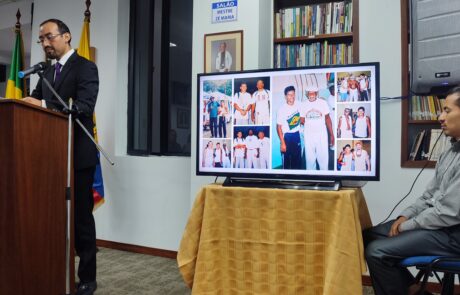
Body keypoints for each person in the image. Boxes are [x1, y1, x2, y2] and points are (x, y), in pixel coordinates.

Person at [22, 19, 99, 295]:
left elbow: (83, 106)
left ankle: (88, 279)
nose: (44, 43)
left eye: (48, 37)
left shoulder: (86, 67)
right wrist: (29, 103)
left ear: (66, 36)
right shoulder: (45, 73)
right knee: (51, 219)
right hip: (49, 157)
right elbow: (32, 105)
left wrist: (42, 103)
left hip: (77, 156)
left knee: (80, 220)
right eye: (40, 39)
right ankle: (54, 270)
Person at [363, 86, 460, 295]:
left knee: (377, 252)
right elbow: (429, 196)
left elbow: (448, 213)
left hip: (453, 235)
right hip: (440, 225)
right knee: (368, 236)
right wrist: (404, 215)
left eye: (447, 111)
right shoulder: (450, 152)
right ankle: (413, 289)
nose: (440, 116)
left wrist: (408, 226)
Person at [300, 89, 335, 170]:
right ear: (307, 94)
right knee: (309, 158)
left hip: (321, 133)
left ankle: (324, 175)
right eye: (309, 93)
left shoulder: (323, 103)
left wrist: (332, 134)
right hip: (308, 134)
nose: (311, 95)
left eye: (313, 93)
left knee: (323, 157)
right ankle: (311, 176)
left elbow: (327, 119)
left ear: (316, 94)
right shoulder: (303, 104)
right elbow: (302, 120)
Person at [276, 85, 302, 169]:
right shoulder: (282, 109)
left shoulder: (299, 104)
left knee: (297, 160)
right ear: (285, 96)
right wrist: (282, 143)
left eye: (293, 94)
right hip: (287, 136)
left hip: (296, 135)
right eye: (290, 95)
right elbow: (278, 127)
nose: (292, 96)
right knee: (286, 161)